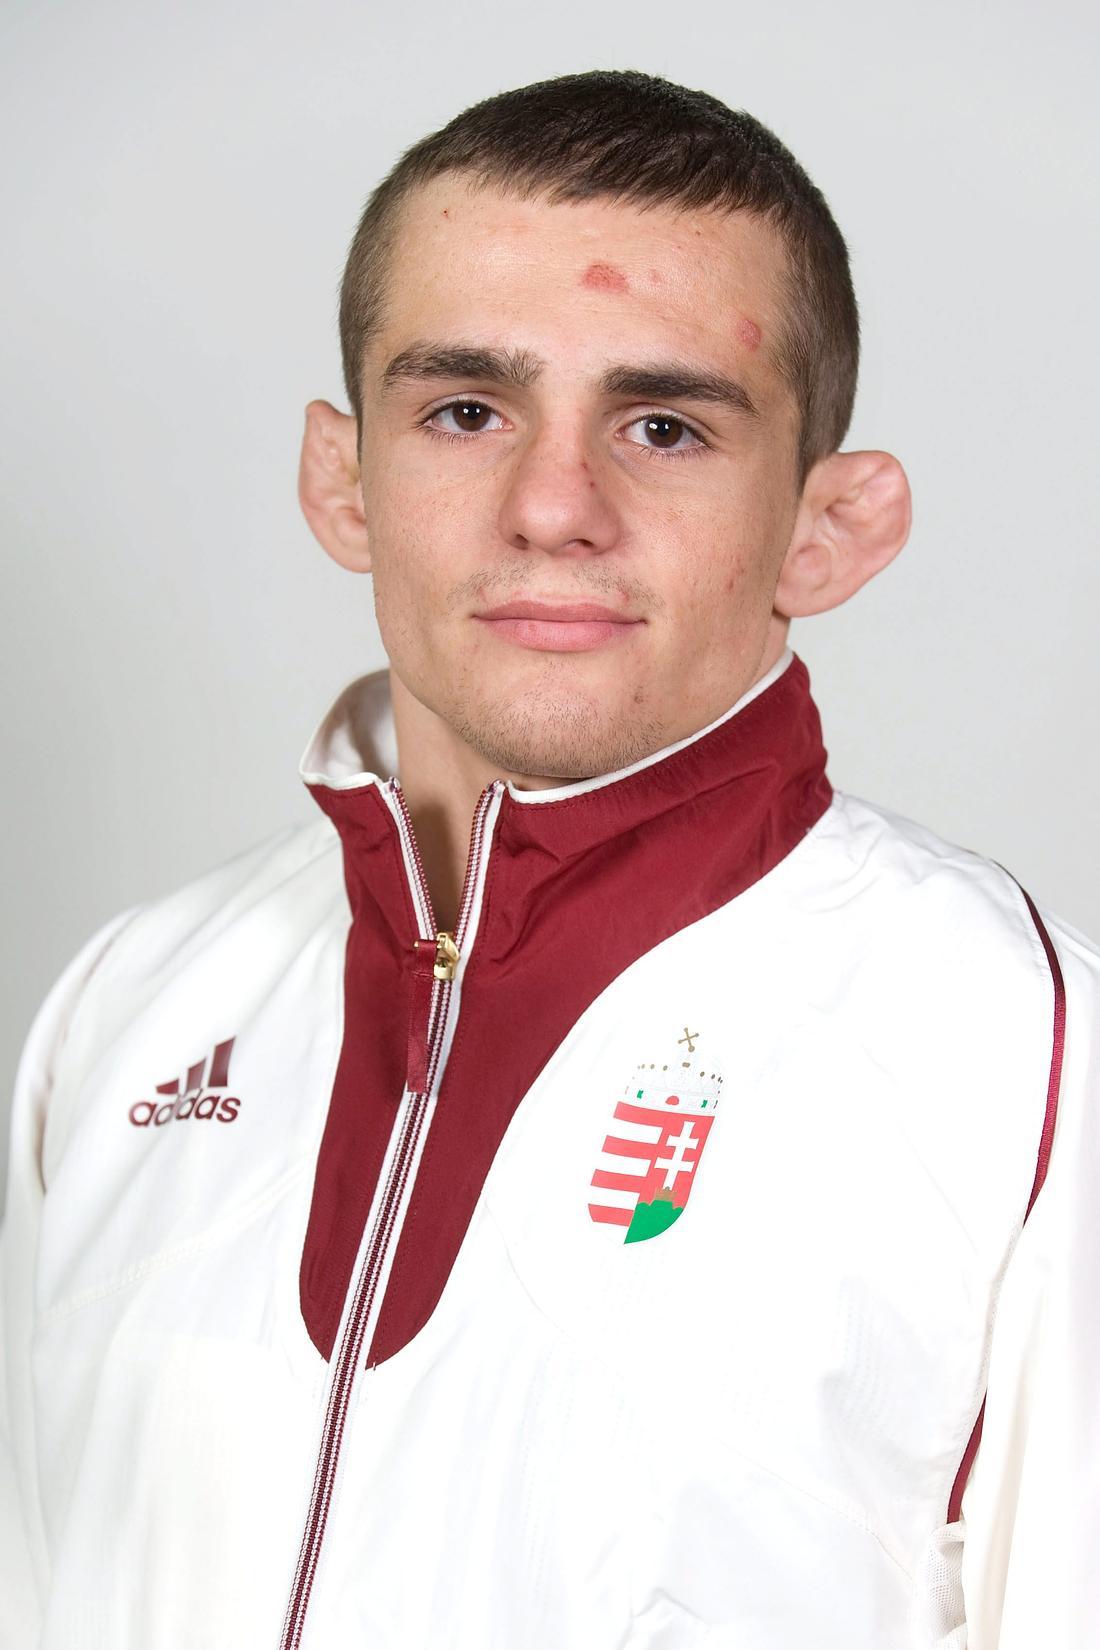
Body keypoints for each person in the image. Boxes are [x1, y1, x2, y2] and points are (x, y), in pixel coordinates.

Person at [2, 66, 1097, 1650]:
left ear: (827, 527)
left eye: (664, 424)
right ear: (341, 478)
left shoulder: (1019, 1056)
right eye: (466, 410)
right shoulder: (131, 1012)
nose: (553, 506)